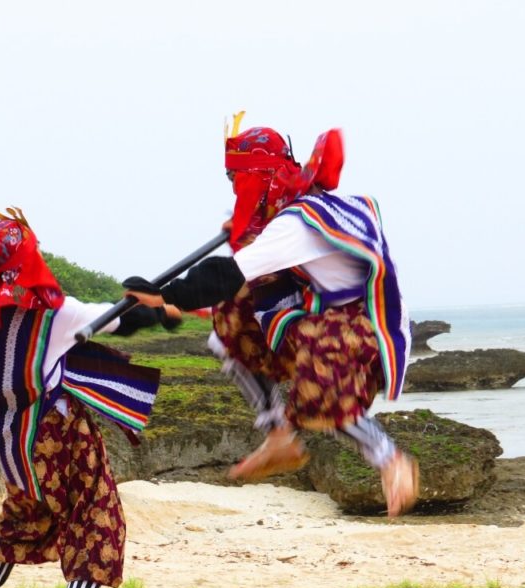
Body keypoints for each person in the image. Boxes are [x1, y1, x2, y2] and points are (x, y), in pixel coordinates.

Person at [124, 116, 419, 516]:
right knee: (228, 324)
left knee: (321, 393)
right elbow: (249, 278)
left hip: (360, 327)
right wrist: (161, 306)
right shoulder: (297, 209)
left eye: (236, 180)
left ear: (259, 177)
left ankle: (390, 458)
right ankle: (278, 433)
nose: (235, 191)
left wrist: (163, 294)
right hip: (319, 313)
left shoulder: (298, 222)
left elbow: (227, 274)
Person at [0, 207, 178, 588]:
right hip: (58, 432)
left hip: (10, 433)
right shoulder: (54, 313)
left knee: (22, 513)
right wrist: (151, 305)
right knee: (96, 515)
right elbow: (118, 320)